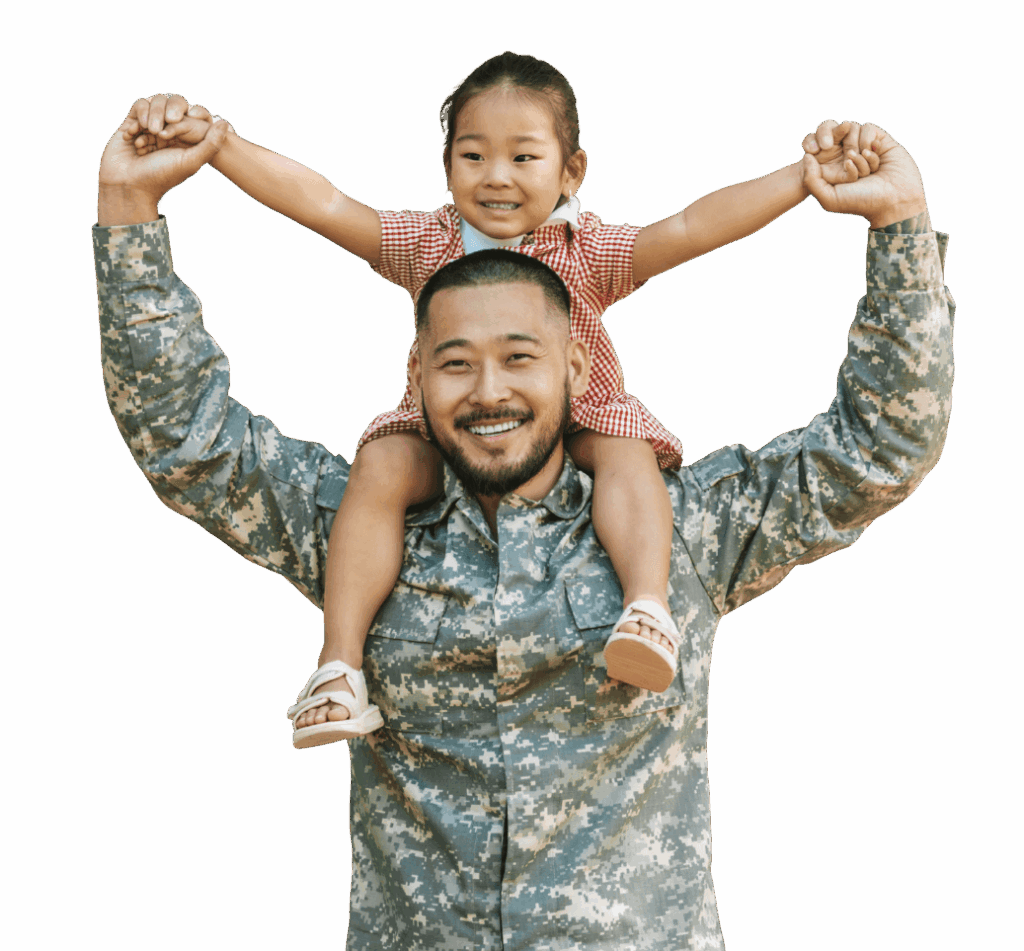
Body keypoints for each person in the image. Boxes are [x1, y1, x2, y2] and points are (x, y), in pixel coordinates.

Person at [94, 99, 952, 950]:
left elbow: (879, 446)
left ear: (578, 365)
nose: (489, 391)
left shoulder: (679, 528)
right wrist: (129, 212)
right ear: (417, 375)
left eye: (519, 357)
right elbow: (188, 441)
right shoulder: (363, 532)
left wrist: (901, 227)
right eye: (455, 363)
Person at [118, 54, 881, 744]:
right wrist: (221, 146)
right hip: (446, 438)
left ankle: (648, 607)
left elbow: (691, 227)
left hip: (583, 420)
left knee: (627, 454)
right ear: (446, 166)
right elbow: (321, 202)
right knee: (379, 467)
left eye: (524, 156)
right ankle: (340, 665)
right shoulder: (429, 244)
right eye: (473, 155)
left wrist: (798, 182)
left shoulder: (590, 250)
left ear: (571, 169)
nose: (497, 176)